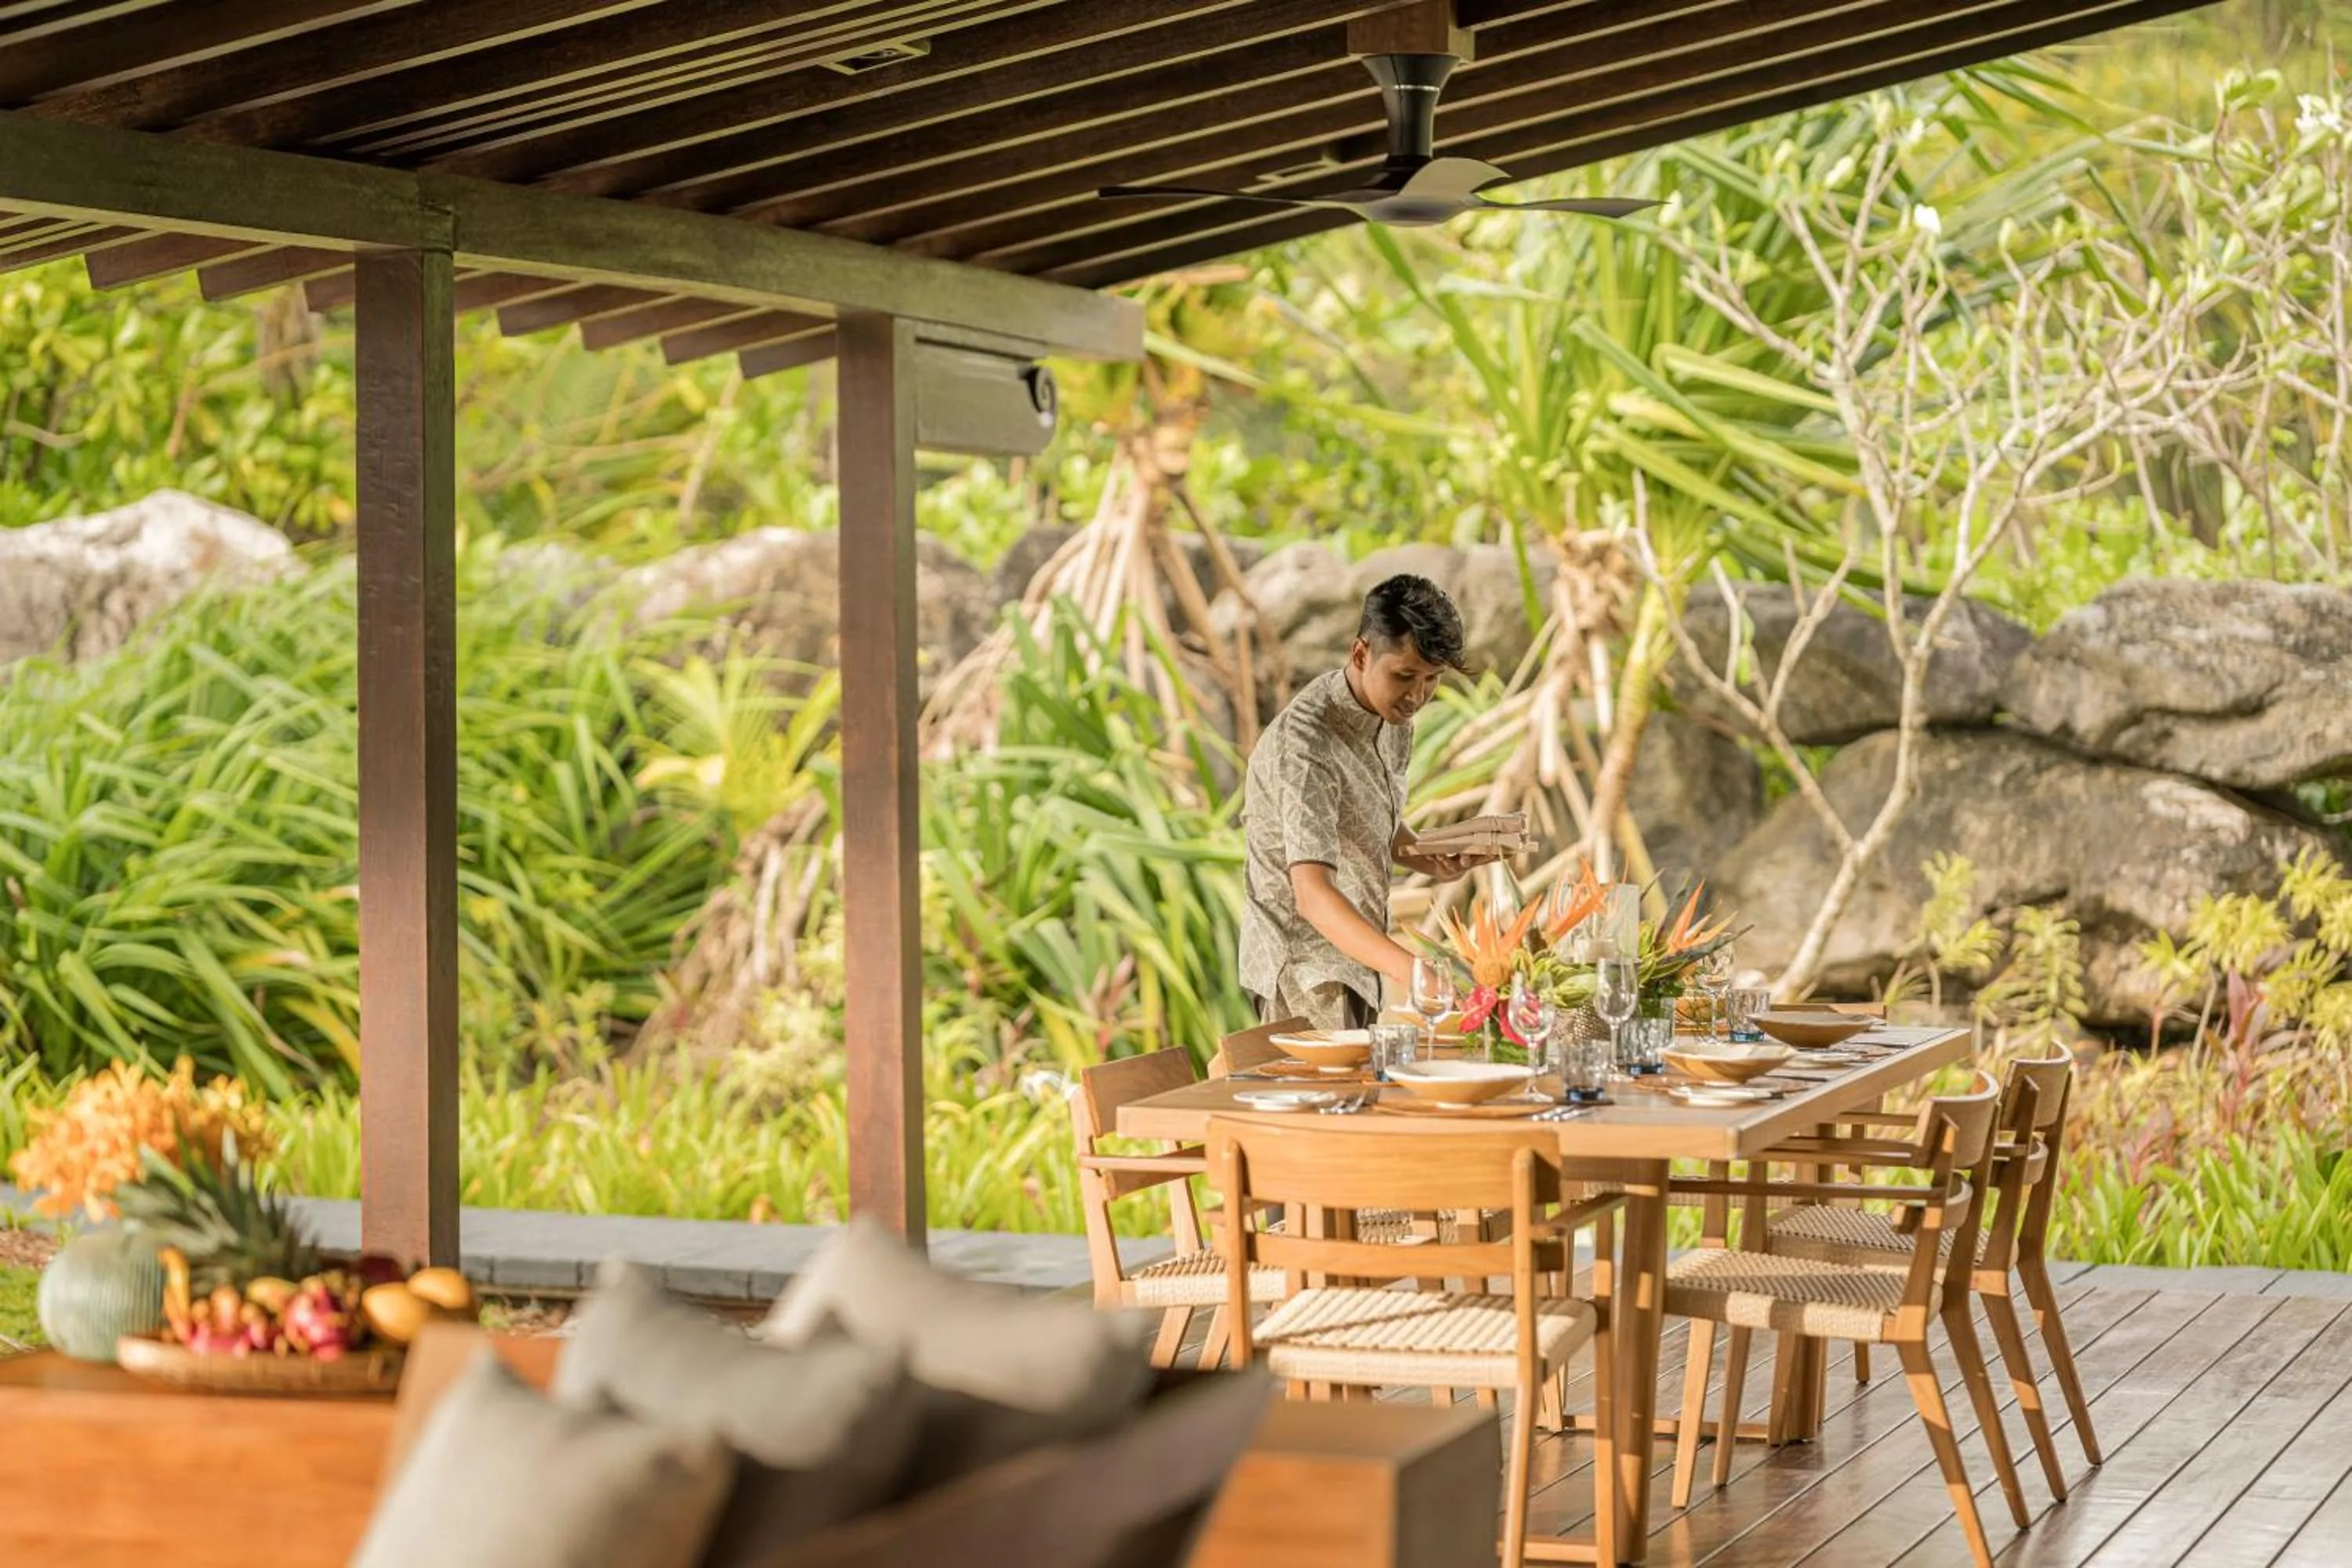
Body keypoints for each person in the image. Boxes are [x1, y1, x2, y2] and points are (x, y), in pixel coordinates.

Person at [1239, 574, 1490, 1032]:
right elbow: (1311, 895)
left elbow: (1370, 820)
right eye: (1405, 676)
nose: (1417, 695)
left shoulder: (1392, 716)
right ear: (1360, 654)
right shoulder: (1306, 745)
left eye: (1432, 679)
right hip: (1302, 975)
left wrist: (1432, 857)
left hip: (1359, 963)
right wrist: (1412, 970)